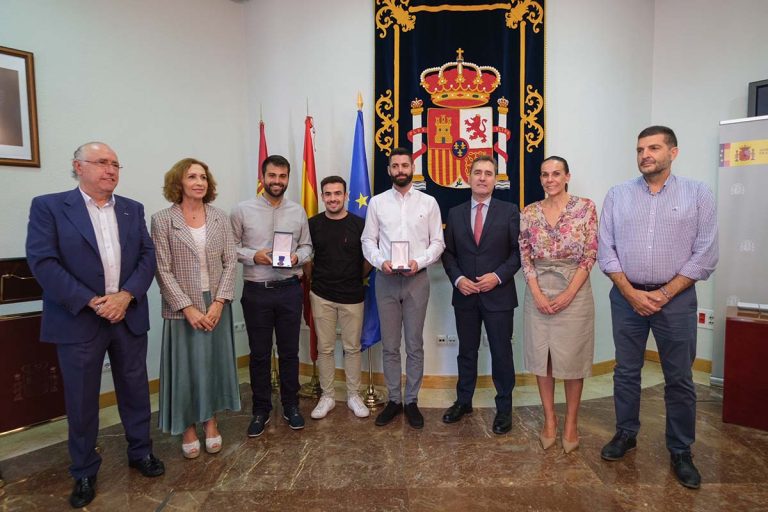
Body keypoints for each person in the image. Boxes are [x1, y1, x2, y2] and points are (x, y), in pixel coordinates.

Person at [26, 142, 164, 509]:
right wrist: (92, 301)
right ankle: (84, 470)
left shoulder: (132, 209)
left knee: (136, 390)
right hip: (79, 319)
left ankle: (140, 452)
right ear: (78, 166)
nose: (111, 170)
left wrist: (126, 296)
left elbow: (148, 257)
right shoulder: (50, 207)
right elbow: (43, 262)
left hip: (127, 315)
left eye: (116, 164)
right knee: (83, 399)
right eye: (102, 162)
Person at [597, 126, 718, 489]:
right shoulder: (618, 195)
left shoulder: (698, 193)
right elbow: (606, 250)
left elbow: (706, 254)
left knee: (679, 378)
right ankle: (625, 433)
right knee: (626, 371)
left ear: (673, 152)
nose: (645, 154)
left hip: (677, 302)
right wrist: (631, 292)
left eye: (653, 147)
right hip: (626, 299)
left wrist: (664, 294)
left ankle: (680, 449)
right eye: (639, 149)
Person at [151, 158, 241, 459]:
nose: (199, 182)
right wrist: (188, 308)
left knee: (212, 367)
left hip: (216, 305)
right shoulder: (162, 219)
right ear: (179, 182)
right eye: (192, 176)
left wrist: (218, 302)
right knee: (186, 371)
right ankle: (188, 428)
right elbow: (162, 270)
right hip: (182, 310)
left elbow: (230, 262)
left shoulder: (219, 217)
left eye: (203, 176)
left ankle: (211, 422)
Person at [361, 147, 445, 429]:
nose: (400, 170)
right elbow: (368, 241)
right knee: (390, 345)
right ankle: (394, 400)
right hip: (385, 279)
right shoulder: (377, 203)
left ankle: (411, 401)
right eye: (395, 166)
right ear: (389, 170)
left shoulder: (429, 203)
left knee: (414, 344)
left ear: (412, 167)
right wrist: (380, 262)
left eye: (404, 165)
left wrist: (418, 262)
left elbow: (438, 243)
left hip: (416, 279)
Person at [519, 156, 598, 453]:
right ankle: (549, 420)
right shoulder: (529, 212)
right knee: (544, 359)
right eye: (544, 175)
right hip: (538, 288)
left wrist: (568, 295)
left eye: (556, 174)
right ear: (540, 179)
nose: (550, 179)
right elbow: (524, 255)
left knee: (572, 361)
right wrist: (538, 293)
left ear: (567, 176)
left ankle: (571, 424)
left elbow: (590, 253)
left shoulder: (585, 207)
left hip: (574, 287)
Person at [231, 154, 313, 437]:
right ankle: (261, 409)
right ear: (262, 176)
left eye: (282, 176)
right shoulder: (242, 210)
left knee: (290, 352)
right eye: (272, 176)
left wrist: (296, 257)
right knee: (259, 354)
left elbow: (307, 247)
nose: (277, 181)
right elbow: (230, 248)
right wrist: (255, 256)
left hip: (289, 290)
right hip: (257, 293)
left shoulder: (298, 211)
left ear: (288, 178)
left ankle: (291, 406)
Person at [441, 156, 521, 435]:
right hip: (465, 296)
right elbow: (448, 253)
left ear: (496, 178)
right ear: (469, 176)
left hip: (498, 296)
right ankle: (464, 402)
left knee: (501, 353)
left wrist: (497, 277)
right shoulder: (455, 212)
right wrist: (458, 279)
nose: (483, 177)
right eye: (478, 172)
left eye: (489, 173)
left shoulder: (510, 211)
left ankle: (504, 409)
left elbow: (517, 253)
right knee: (466, 351)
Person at [307, 176, 372, 420]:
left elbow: (368, 261)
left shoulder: (359, 224)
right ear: (322, 197)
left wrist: (353, 277)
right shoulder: (312, 224)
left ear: (346, 196)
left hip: (352, 295)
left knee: (352, 348)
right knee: (324, 349)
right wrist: (317, 282)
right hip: (322, 294)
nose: (333, 198)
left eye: (337, 193)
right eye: (328, 194)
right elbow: (306, 258)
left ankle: (354, 395)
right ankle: (328, 396)